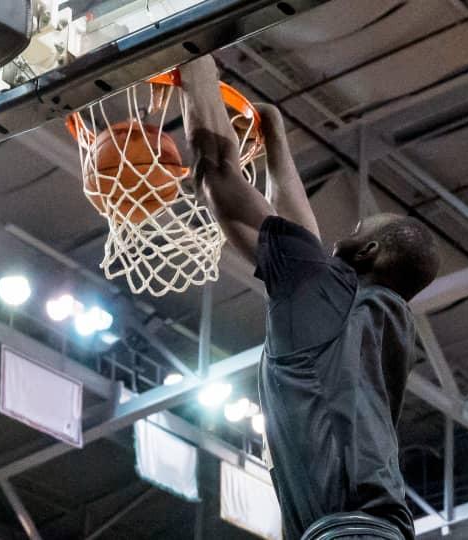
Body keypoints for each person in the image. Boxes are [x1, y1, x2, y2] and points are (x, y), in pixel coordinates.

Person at [179, 56, 440, 540]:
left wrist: (193, 64)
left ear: (369, 251)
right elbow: (303, 239)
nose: (349, 228)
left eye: (359, 227)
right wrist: (275, 139)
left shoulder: (326, 296)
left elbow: (215, 168)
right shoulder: (369, 321)